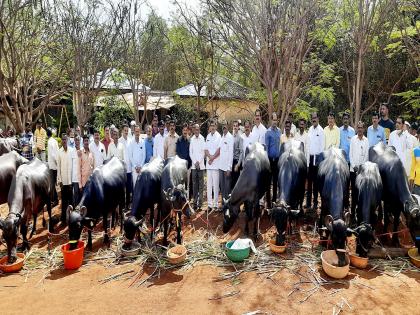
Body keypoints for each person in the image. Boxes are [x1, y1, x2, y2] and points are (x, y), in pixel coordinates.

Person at [349, 121, 369, 220]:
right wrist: (354, 166)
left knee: (361, 193)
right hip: (353, 170)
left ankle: (360, 213)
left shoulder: (366, 141)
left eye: (361, 127)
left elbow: (366, 156)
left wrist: (361, 167)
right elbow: (350, 154)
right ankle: (352, 213)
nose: (360, 129)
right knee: (354, 193)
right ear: (356, 129)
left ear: (364, 129)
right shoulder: (353, 139)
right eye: (358, 127)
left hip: (362, 172)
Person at [306, 113, 325, 210]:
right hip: (310, 158)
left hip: (317, 159)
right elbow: (308, 146)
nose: (314, 119)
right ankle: (308, 203)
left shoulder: (321, 131)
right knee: (309, 183)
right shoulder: (309, 129)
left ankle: (315, 203)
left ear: (318, 118)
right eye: (312, 118)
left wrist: (319, 162)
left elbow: (322, 148)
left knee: (316, 184)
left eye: (315, 118)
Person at [265, 113, 281, 208]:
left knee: (276, 181)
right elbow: (266, 147)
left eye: (276, 120)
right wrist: (267, 161)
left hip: (277, 160)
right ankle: (268, 203)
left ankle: (274, 200)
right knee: (268, 182)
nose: (274, 122)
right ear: (271, 121)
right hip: (270, 160)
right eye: (273, 120)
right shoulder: (268, 132)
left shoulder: (279, 131)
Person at [205, 119, 221, 211]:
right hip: (209, 165)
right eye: (211, 125)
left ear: (216, 126)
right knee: (209, 186)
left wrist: (212, 158)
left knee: (215, 185)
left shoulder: (219, 136)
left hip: (215, 165)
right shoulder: (207, 136)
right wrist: (209, 157)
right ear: (209, 127)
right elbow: (205, 149)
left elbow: (219, 150)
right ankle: (210, 205)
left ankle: (215, 204)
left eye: (214, 125)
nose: (212, 127)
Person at [57, 134, 73, 224]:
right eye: (62, 139)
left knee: (71, 201)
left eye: (65, 139)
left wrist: (71, 181)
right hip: (63, 182)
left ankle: (71, 218)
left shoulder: (71, 151)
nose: (64, 141)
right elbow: (58, 167)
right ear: (61, 141)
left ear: (67, 140)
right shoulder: (59, 152)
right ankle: (63, 219)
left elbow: (73, 167)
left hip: (70, 181)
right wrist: (60, 181)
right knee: (64, 202)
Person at [189, 124, 206, 211]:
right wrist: (195, 162)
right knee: (194, 185)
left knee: (201, 186)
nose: (196, 131)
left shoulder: (202, 139)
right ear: (193, 130)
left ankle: (200, 203)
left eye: (198, 129)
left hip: (201, 165)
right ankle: (195, 203)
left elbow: (203, 152)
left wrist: (198, 162)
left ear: (199, 130)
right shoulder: (191, 139)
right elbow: (190, 152)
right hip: (194, 166)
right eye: (195, 129)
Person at [218, 121, 234, 206]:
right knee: (222, 188)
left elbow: (231, 153)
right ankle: (224, 204)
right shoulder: (222, 137)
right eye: (223, 126)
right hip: (221, 166)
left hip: (226, 168)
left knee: (227, 188)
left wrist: (229, 168)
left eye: (225, 126)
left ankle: (227, 206)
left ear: (228, 126)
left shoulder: (230, 137)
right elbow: (220, 151)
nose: (224, 127)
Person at [119, 124, 132, 209]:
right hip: (121, 170)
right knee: (121, 189)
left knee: (128, 188)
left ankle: (128, 204)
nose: (126, 132)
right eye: (125, 130)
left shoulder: (130, 140)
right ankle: (122, 206)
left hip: (129, 168)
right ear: (122, 131)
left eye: (127, 130)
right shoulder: (119, 141)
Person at [47, 128, 59, 206]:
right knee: (53, 183)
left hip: (52, 166)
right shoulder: (54, 141)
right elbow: (57, 152)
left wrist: (56, 163)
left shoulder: (49, 142)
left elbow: (53, 154)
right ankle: (55, 199)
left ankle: (55, 200)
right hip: (55, 165)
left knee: (52, 184)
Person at [231, 120, 244, 189]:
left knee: (236, 182)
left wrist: (238, 164)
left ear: (238, 127)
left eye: (236, 126)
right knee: (231, 181)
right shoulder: (231, 137)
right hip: (231, 161)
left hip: (236, 162)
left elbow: (241, 152)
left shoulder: (240, 137)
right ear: (232, 127)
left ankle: (236, 198)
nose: (235, 127)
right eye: (234, 126)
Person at [71, 136, 82, 206]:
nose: (77, 141)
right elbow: (71, 165)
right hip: (75, 178)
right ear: (74, 141)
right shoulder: (72, 151)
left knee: (82, 195)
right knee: (76, 194)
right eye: (76, 140)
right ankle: (76, 211)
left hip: (82, 177)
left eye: (78, 140)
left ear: (80, 141)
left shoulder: (83, 150)